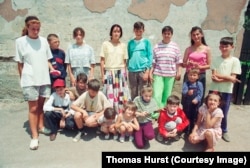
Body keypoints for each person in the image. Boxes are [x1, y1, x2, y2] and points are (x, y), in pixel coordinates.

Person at [14, 16, 54, 150]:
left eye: (38, 29)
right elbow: (20, 64)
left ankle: (41, 126)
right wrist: (23, 80)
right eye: (33, 29)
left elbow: (47, 59)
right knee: (33, 108)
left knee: (41, 106)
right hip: (29, 79)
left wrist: (52, 70)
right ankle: (35, 137)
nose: (36, 31)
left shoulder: (44, 41)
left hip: (44, 78)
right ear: (27, 28)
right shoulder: (20, 42)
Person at [209, 37, 241, 142]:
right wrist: (229, 77)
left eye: (226, 46)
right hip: (214, 89)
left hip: (227, 90)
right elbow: (214, 76)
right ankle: (210, 127)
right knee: (211, 109)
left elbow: (233, 79)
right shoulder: (216, 59)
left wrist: (222, 78)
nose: (224, 48)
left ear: (232, 47)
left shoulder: (235, 61)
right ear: (219, 47)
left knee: (224, 111)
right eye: (222, 46)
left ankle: (224, 130)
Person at [100, 24, 131, 113]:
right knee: (110, 95)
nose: (116, 33)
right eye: (114, 31)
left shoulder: (123, 45)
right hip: (109, 72)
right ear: (111, 33)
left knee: (121, 94)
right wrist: (103, 75)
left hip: (120, 73)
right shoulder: (105, 44)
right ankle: (110, 114)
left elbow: (125, 62)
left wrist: (125, 76)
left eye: (118, 31)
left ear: (120, 33)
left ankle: (121, 113)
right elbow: (102, 61)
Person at [150, 26, 182, 109]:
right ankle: (156, 113)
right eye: (165, 33)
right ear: (162, 34)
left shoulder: (175, 47)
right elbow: (153, 62)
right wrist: (150, 73)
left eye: (169, 34)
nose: (167, 35)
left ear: (171, 35)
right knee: (157, 94)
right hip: (158, 74)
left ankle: (164, 112)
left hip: (170, 75)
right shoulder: (157, 46)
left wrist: (179, 72)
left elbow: (178, 61)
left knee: (167, 95)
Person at [182, 26, 211, 103]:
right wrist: (187, 63)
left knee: (199, 96)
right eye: (193, 35)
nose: (196, 36)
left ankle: (197, 114)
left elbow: (209, 65)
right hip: (189, 75)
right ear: (191, 37)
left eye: (197, 34)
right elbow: (183, 64)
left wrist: (200, 67)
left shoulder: (207, 49)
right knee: (186, 96)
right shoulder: (188, 49)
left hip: (200, 75)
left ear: (202, 35)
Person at [127, 21, 153, 100]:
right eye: (136, 31)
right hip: (132, 70)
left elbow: (150, 56)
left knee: (143, 91)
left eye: (140, 31)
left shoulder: (146, 42)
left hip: (143, 70)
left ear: (143, 31)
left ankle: (143, 108)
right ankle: (134, 108)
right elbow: (129, 56)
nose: (138, 33)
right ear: (134, 30)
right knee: (133, 90)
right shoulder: (130, 43)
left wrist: (147, 71)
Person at [181, 68, 203, 134]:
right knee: (186, 115)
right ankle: (185, 129)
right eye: (190, 75)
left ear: (198, 76)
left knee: (193, 116)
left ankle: (192, 129)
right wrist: (187, 92)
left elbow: (200, 94)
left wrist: (197, 99)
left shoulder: (199, 84)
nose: (192, 77)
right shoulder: (186, 83)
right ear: (188, 75)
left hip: (195, 104)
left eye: (194, 75)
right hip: (187, 103)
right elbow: (183, 92)